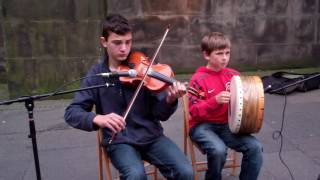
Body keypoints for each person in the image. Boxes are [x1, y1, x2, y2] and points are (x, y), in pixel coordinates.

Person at [64, 14, 194, 180]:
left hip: (151, 136)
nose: (124, 48)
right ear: (104, 42)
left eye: (128, 42)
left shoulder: (142, 66)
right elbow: (72, 112)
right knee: (136, 176)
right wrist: (99, 118)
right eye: (117, 43)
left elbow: (160, 114)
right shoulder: (97, 75)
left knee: (185, 172)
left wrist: (170, 99)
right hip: (120, 141)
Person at [188, 32, 263, 180]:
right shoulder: (198, 79)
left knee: (255, 148)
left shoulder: (234, 75)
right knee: (218, 150)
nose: (225, 57)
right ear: (206, 55)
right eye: (219, 53)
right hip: (202, 126)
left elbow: (245, 102)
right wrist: (214, 101)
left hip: (228, 126)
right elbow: (194, 111)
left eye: (227, 53)